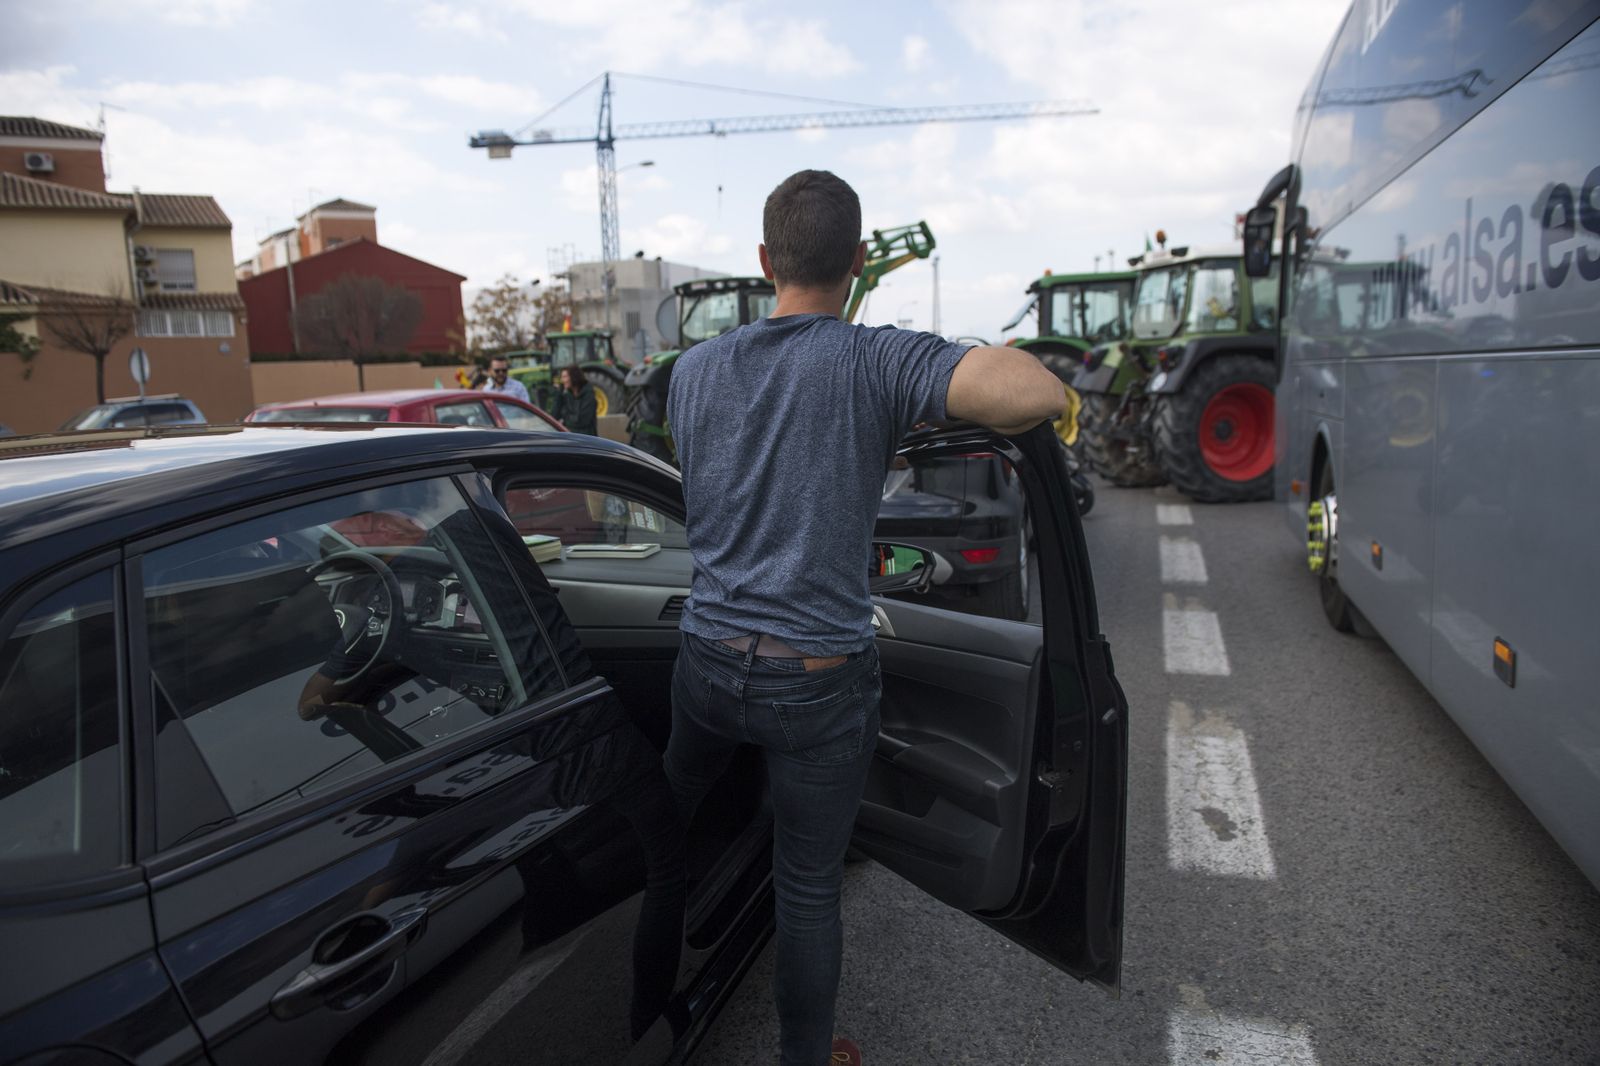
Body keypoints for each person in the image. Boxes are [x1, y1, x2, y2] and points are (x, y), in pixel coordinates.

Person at [663, 169, 1064, 1066]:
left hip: (704, 663)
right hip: (814, 682)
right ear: (855, 262)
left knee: (668, 826)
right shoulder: (872, 359)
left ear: (764, 260)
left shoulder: (690, 372)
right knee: (806, 888)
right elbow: (1026, 393)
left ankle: (644, 996)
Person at [549, 365, 599, 435]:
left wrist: (565, 417)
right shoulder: (567, 395)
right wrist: (559, 394)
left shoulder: (589, 395)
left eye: (565, 377)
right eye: (562, 377)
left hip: (587, 439)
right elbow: (554, 417)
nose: (562, 380)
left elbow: (583, 421)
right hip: (572, 438)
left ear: (574, 376)